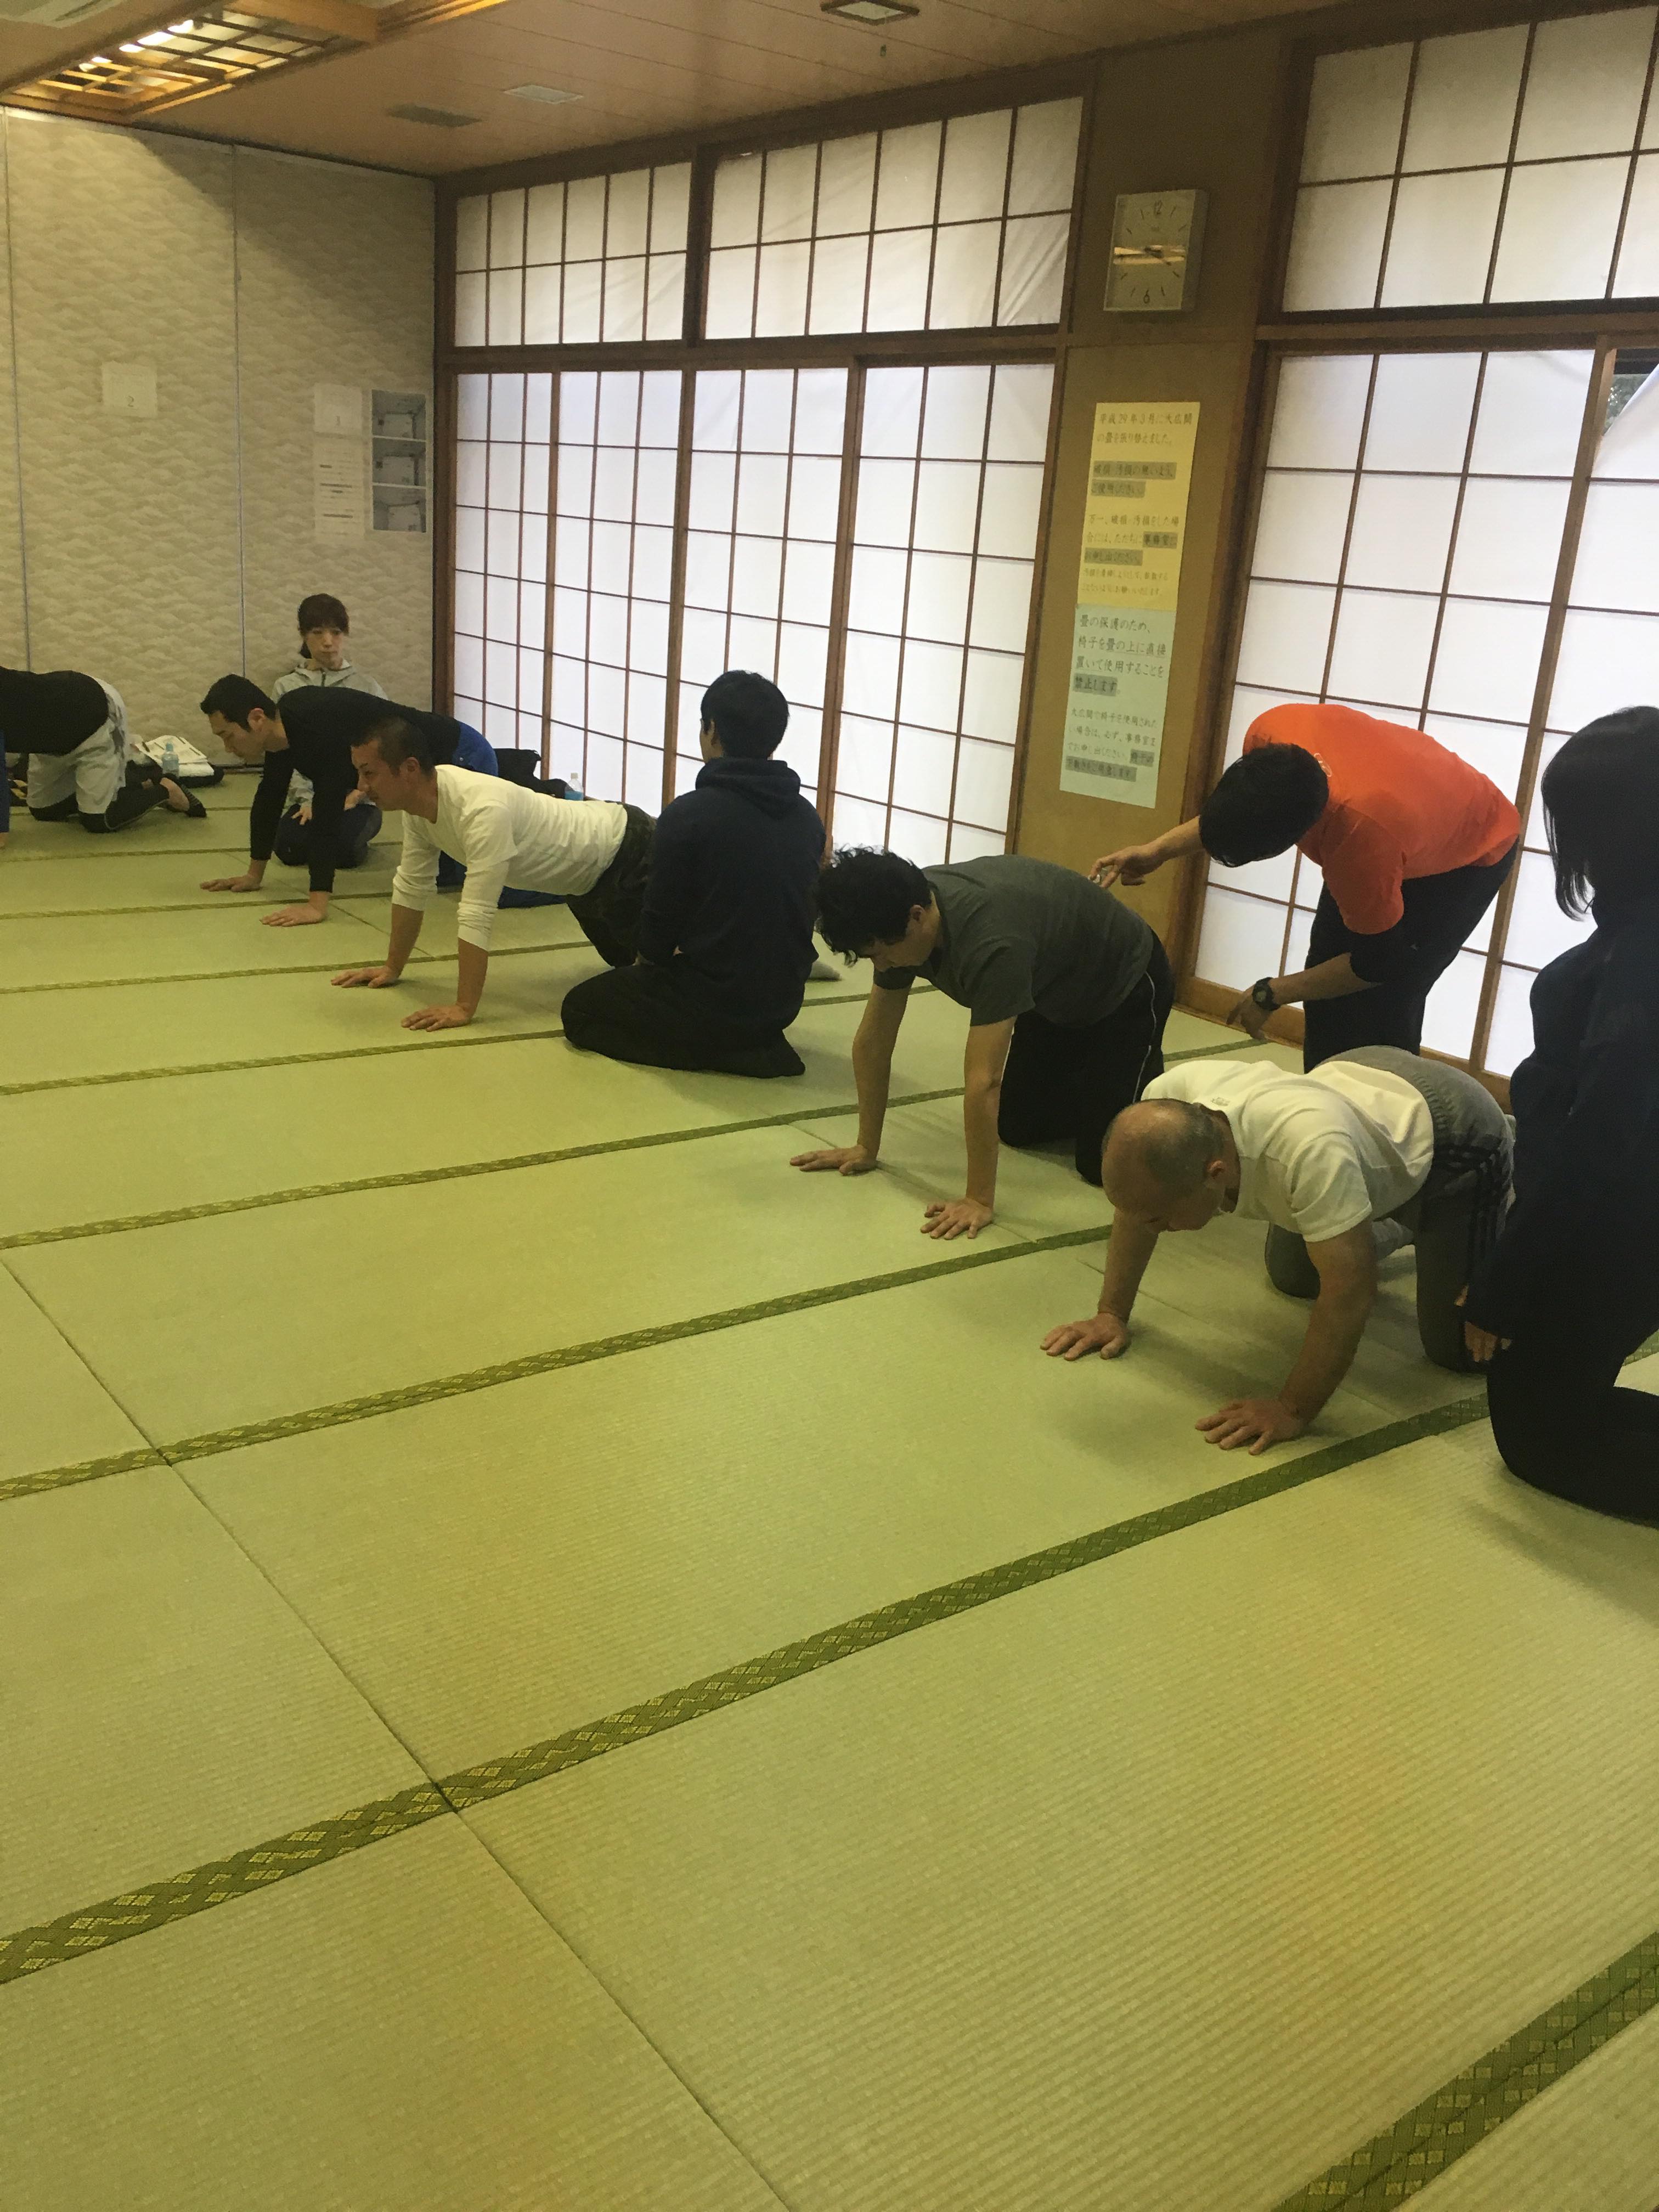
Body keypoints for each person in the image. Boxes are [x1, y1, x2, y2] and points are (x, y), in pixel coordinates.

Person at [1042, 1047, 1511, 1454]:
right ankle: (1388, 1225)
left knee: (1461, 1350)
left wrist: (1292, 1409)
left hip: (1457, 1135)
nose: (1154, 1229)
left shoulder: (1308, 1152)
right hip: (1354, 1083)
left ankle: (1512, 1195)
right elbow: (1137, 1208)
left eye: (1161, 1220)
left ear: (1216, 1175)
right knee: (1295, 1276)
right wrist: (1111, 1313)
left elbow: (1352, 1293)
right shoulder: (1166, 1110)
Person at [1461, 709, 1659, 1525]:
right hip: (1622, 1204)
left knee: (1538, 1439)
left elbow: (1600, 1142)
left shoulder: (1641, 956)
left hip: (1621, 1222)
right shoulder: (1636, 917)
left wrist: (1504, 1283)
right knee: (1552, 1403)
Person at [1093, 703, 1520, 1069]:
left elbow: (1377, 963)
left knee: (1388, 996)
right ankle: (1324, 1104)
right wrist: (1157, 851)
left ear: (1293, 837)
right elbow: (1238, 812)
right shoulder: (1269, 737)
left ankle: (1388, 1122)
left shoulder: (1360, 837)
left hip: (1469, 850)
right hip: (1401, 813)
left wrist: (1270, 993)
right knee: (1327, 976)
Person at [797, 848, 1173, 1239]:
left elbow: (984, 1080)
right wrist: (865, 1147)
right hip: (1049, 993)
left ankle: (1158, 1090)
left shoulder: (992, 940)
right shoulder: (896, 923)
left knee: (1106, 1165)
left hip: (1124, 987)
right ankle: (1097, 1084)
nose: (880, 966)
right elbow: (874, 1041)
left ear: (917, 916)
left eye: (881, 954)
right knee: (1018, 1127)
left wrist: (978, 1198)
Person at [561, 671, 826, 1079]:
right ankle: (751, 1043)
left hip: (712, 998)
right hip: (782, 1003)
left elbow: (660, 924)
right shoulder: (807, 818)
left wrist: (645, 971)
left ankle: (732, 1055)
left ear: (712, 730)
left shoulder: (689, 815)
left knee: (580, 1010)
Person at [332, 715, 653, 1029]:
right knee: (623, 965)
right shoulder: (418, 808)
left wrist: (463, 1007)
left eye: (369, 773)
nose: (362, 786)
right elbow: (411, 887)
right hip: (584, 883)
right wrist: (392, 968)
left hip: (628, 849)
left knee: (654, 980)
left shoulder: (482, 809)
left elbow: (477, 913)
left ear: (410, 769)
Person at [198, 677, 485, 925]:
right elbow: (269, 799)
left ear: (257, 719)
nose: (228, 748)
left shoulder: (311, 724)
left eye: (228, 736)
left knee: (491, 886)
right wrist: (253, 876)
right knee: (444, 877)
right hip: (435, 765)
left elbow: (328, 812)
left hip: (461, 753)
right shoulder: (283, 735)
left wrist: (316, 905)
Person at [0, 665, 202, 834]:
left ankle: (166, 789)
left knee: (99, 820)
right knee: (44, 810)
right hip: (51, 740)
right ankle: (137, 782)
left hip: (95, 717)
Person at [270, 593, 388, 706]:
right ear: (304, 635)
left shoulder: (367, 687)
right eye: (318, 632)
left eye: (336, 633)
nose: (328, 642)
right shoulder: (286, 686)